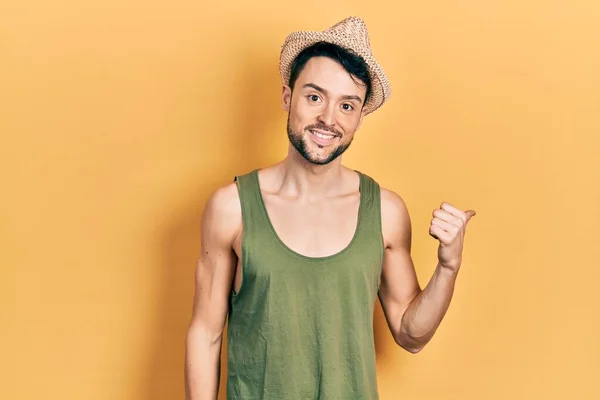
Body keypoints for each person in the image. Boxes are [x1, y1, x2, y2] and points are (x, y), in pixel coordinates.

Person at [185, 16, 476, 400]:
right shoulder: (232, 207)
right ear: (288, 97)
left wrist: (449, 266)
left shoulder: (385, 212)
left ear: (359, 117)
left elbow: (411, 335)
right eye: (314, 96)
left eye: (347, 105)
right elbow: (206, 334)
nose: (328, 119)